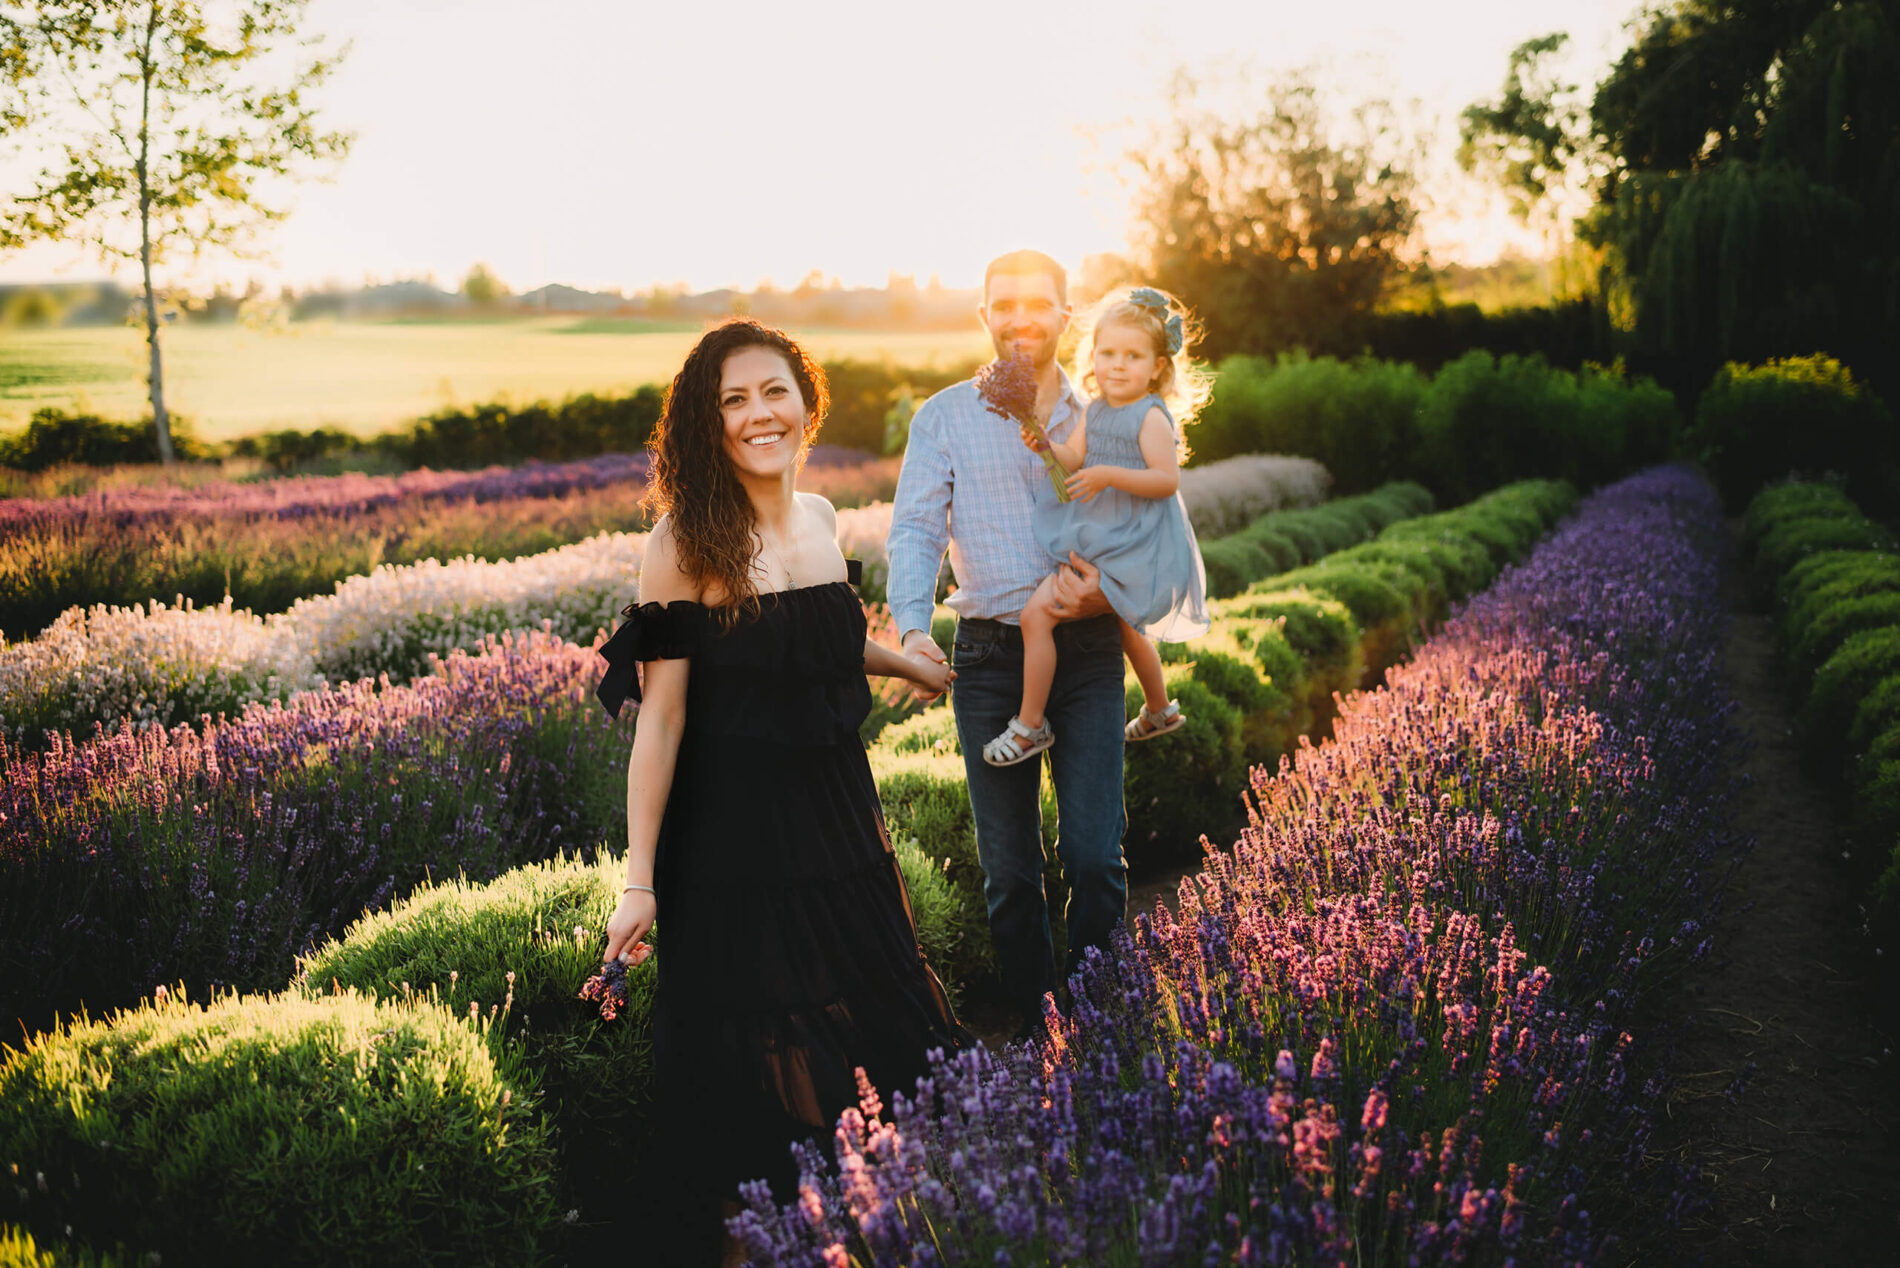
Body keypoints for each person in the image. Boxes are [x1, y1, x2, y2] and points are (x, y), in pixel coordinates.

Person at [594, 319, 968, 1260]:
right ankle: (765, 1237)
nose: (759, 414)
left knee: (862, 1008)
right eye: (733, 400)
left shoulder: (821, 520)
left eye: (774, 392)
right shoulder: (684, 545)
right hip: (734, 835)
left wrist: (906, 665)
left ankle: (861, 1226)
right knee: (759, 1035)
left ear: (807, 401)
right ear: (705, 424)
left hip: (838, 816)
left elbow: (821, 638)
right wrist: (640, 879)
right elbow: (663, 719)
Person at [885, 248, 1128, 1038]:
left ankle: (1098, 1022)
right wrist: (913, 630)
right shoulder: (945, 417)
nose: (1021, 317)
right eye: (1004, 304)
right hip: (989, 658)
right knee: (1010, 874)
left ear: (1067, 312)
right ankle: (1038, 1026)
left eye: (1038, 303)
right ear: (984, 315)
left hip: (1087, 653)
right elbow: (917, 529)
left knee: (1095, 857)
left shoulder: (1108, 413)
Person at [981, 285, 1212, 767]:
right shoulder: (1098, 410)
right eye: (1107, 353)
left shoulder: (1150, 416)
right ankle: (1158, 708)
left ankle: (1029, 727)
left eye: (1133, 355)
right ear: (1093, 357)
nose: (1118, 365)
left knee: (1039, 616)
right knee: (1125, 629)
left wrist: (1108, 475)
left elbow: (1166, 481)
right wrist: (1044, 443)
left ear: (1157, 367)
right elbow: (1072, 457)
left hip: (1132, 540)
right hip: (1105, 534)